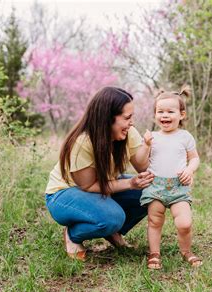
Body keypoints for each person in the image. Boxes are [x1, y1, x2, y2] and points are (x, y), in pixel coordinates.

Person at [44, 87, 154, 261]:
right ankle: (74, 234)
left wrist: (152, 149)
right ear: (108, 118)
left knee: (150, 191)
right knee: (112, 217)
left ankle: (111, 232)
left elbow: (143, 167)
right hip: (64, 195)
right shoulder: (82, 142)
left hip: (100, 187)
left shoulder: (127, 133)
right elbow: (88, 186)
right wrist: (130, 183)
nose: (131, 123)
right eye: (127, 118)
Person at [139, 85, 202, 269]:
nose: (164, 115)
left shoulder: (185, 137)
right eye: (160, 111)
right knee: (155, 221)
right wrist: (145, 145)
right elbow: (142, 162)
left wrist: (190, 170)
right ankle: (154, 253)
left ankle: (186, 251)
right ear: (155, 115)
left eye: (170, 111)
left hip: (179, 186)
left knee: (184, 223)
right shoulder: (153, 137)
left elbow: (195, 158)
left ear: (181, 114)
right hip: (156, 186)